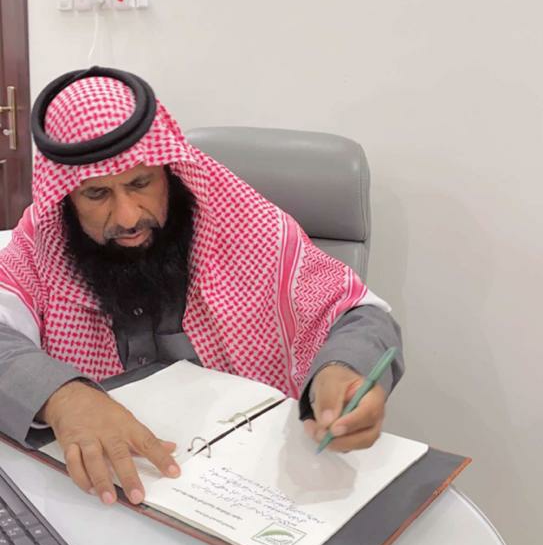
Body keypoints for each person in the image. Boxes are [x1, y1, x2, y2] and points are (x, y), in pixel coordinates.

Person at [0, 67, 403, 508]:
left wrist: (344, 369)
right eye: (97, 195)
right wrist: (63, 397)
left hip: (247, 485)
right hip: (102, 490)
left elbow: (359, 316)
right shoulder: (43, 242)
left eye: (141, 183)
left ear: (169, 171)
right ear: (67, 198)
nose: (129, 217)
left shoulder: (243, 224)